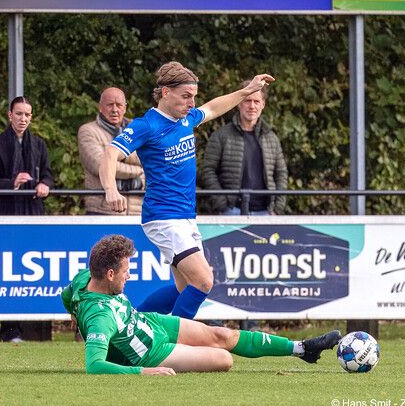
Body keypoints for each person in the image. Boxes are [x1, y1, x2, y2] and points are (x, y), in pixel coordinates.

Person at [99, 61, 274, 320]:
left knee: (185, 288)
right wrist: (111, 190)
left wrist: (247, 90)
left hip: (184, 217)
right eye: (186, 96)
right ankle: (177, 342)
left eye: (193, 97)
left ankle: (129, 327)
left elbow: (213, 107)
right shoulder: (146, 125)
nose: (191, 103)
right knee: (204, 281)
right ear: (166, 92)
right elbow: (110, 154)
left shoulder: (185, 120)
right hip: (164, 217)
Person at [61, 235, 341, 374]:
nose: (129, 275)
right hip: (149, 353)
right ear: (109, 274)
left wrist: (73, 311)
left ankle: (302, 349)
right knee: (224, 359)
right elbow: (94, 365)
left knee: (222, 335)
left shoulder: (84, 278)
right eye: (126, 271)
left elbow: (67, 294)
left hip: (150, 323)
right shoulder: (100, 317)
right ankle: (183, 353)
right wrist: (144, 372)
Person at [0, 96, 55, 342]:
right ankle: (9, 328)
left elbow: (48, 174)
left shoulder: (39, 145)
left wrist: (45, 184)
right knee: (8, 271)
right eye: (19, 114)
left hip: (32, 213)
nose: (23, 119)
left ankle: (34, 329)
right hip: (5, 214)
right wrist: (13, 183)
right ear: (9, 115)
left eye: (27, 114)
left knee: (32, 270)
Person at [201, 81, 287, 216]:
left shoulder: (271, 138)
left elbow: (281, 173)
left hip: (265, 213)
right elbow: (208, 170)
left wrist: (277, 208)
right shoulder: (221, 136)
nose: (252, 106)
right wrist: (222, 204)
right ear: (239, 103)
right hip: (232, 211)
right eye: (247, 101)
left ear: (263, 104)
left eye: (257, 101)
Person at [78, 87, 144, 215]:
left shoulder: (138, 128)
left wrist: (114, 155)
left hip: (137, 211)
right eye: (110, 105)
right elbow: (100, 165)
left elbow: (151, 158)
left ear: (125, 107)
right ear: (100, 107)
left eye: (119, 105)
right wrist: (140, 170)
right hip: (102, 210)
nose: (115, 110)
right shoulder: (88, 131)